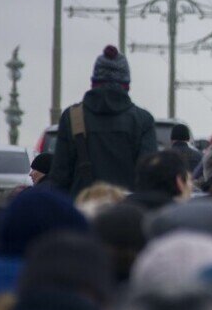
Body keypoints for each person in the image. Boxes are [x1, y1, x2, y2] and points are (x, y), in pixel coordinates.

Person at [50, 46, 157, 197]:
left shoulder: (72, 117)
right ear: (127, 85)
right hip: (127, 213)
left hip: (82, 212)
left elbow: (59, 177)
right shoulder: (143, 120)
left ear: (93, 82)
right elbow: (149, 178)